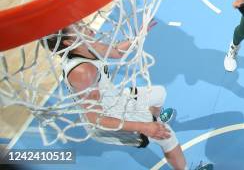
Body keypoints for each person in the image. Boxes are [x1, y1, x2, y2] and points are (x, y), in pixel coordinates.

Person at [42, 24, 213, 170]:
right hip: (109, 120)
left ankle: (155, 119)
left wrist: (138, 36)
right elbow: (95, 118)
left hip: (114, 98)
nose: (87, 27)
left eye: (82, 23)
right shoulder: (83, 71)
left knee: (159, 93)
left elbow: (116, 52)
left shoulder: (87, 45)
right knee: (168, 137)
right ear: (69, 42)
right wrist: (144, 126)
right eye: (79, 28)